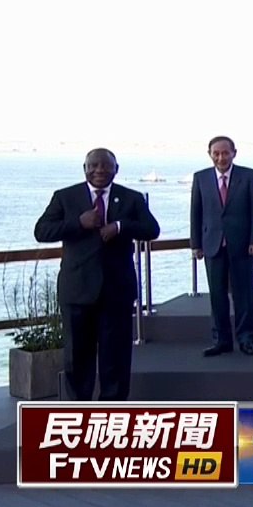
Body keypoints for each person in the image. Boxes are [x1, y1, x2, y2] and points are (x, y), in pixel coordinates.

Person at [33, 148, 161, 400]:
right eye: (93, 165)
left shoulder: (131, 198)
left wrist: (120, 226)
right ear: (85, 169)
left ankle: (112, 412)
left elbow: (151, 229)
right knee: (77, 358)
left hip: (117, 291)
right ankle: (80, 412)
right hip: (76, 291)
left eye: (105, 165)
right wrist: (78, 223)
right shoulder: (65, 197)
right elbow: (42, 231)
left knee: (116, 359)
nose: (99, 170)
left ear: (116, 169)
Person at [190, 136, 253, 357]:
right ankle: (221, 340)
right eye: (216, 153)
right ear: (210, 154)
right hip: (212, 245)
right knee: (217, 295)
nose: (221, 157)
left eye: (225, 153)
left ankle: (246, 339)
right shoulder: (201, 178)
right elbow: (196, 212)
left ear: (234, 153)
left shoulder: (249, 176)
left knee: (244, 295)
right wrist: (196, 244)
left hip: (242, 245)